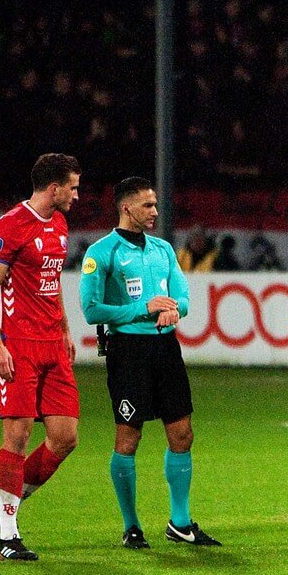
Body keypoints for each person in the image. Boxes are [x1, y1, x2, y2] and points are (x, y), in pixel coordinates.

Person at [79, 177, 221, 549]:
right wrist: (143, 308)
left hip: (165, 349)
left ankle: (180, 522)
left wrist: (174, 310)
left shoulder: (163, 250)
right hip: (127, 351)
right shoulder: (102, 253)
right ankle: (131, 526)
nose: (155, 212)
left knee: (182, 433)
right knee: (129, 437)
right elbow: (91, 309)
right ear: (127, 208)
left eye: (155, 204)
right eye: (147, 205)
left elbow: (184, 297)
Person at [0, 153, 82, 561]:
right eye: (73, 187)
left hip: (52, 346)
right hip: (17, 344)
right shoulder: (10, 225)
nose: (77, 194)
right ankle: (8, 534)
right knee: (17, 437)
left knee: (64, 438)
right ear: (53, 188)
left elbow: (51, 280)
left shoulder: (59, 222)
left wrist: (65, 329)